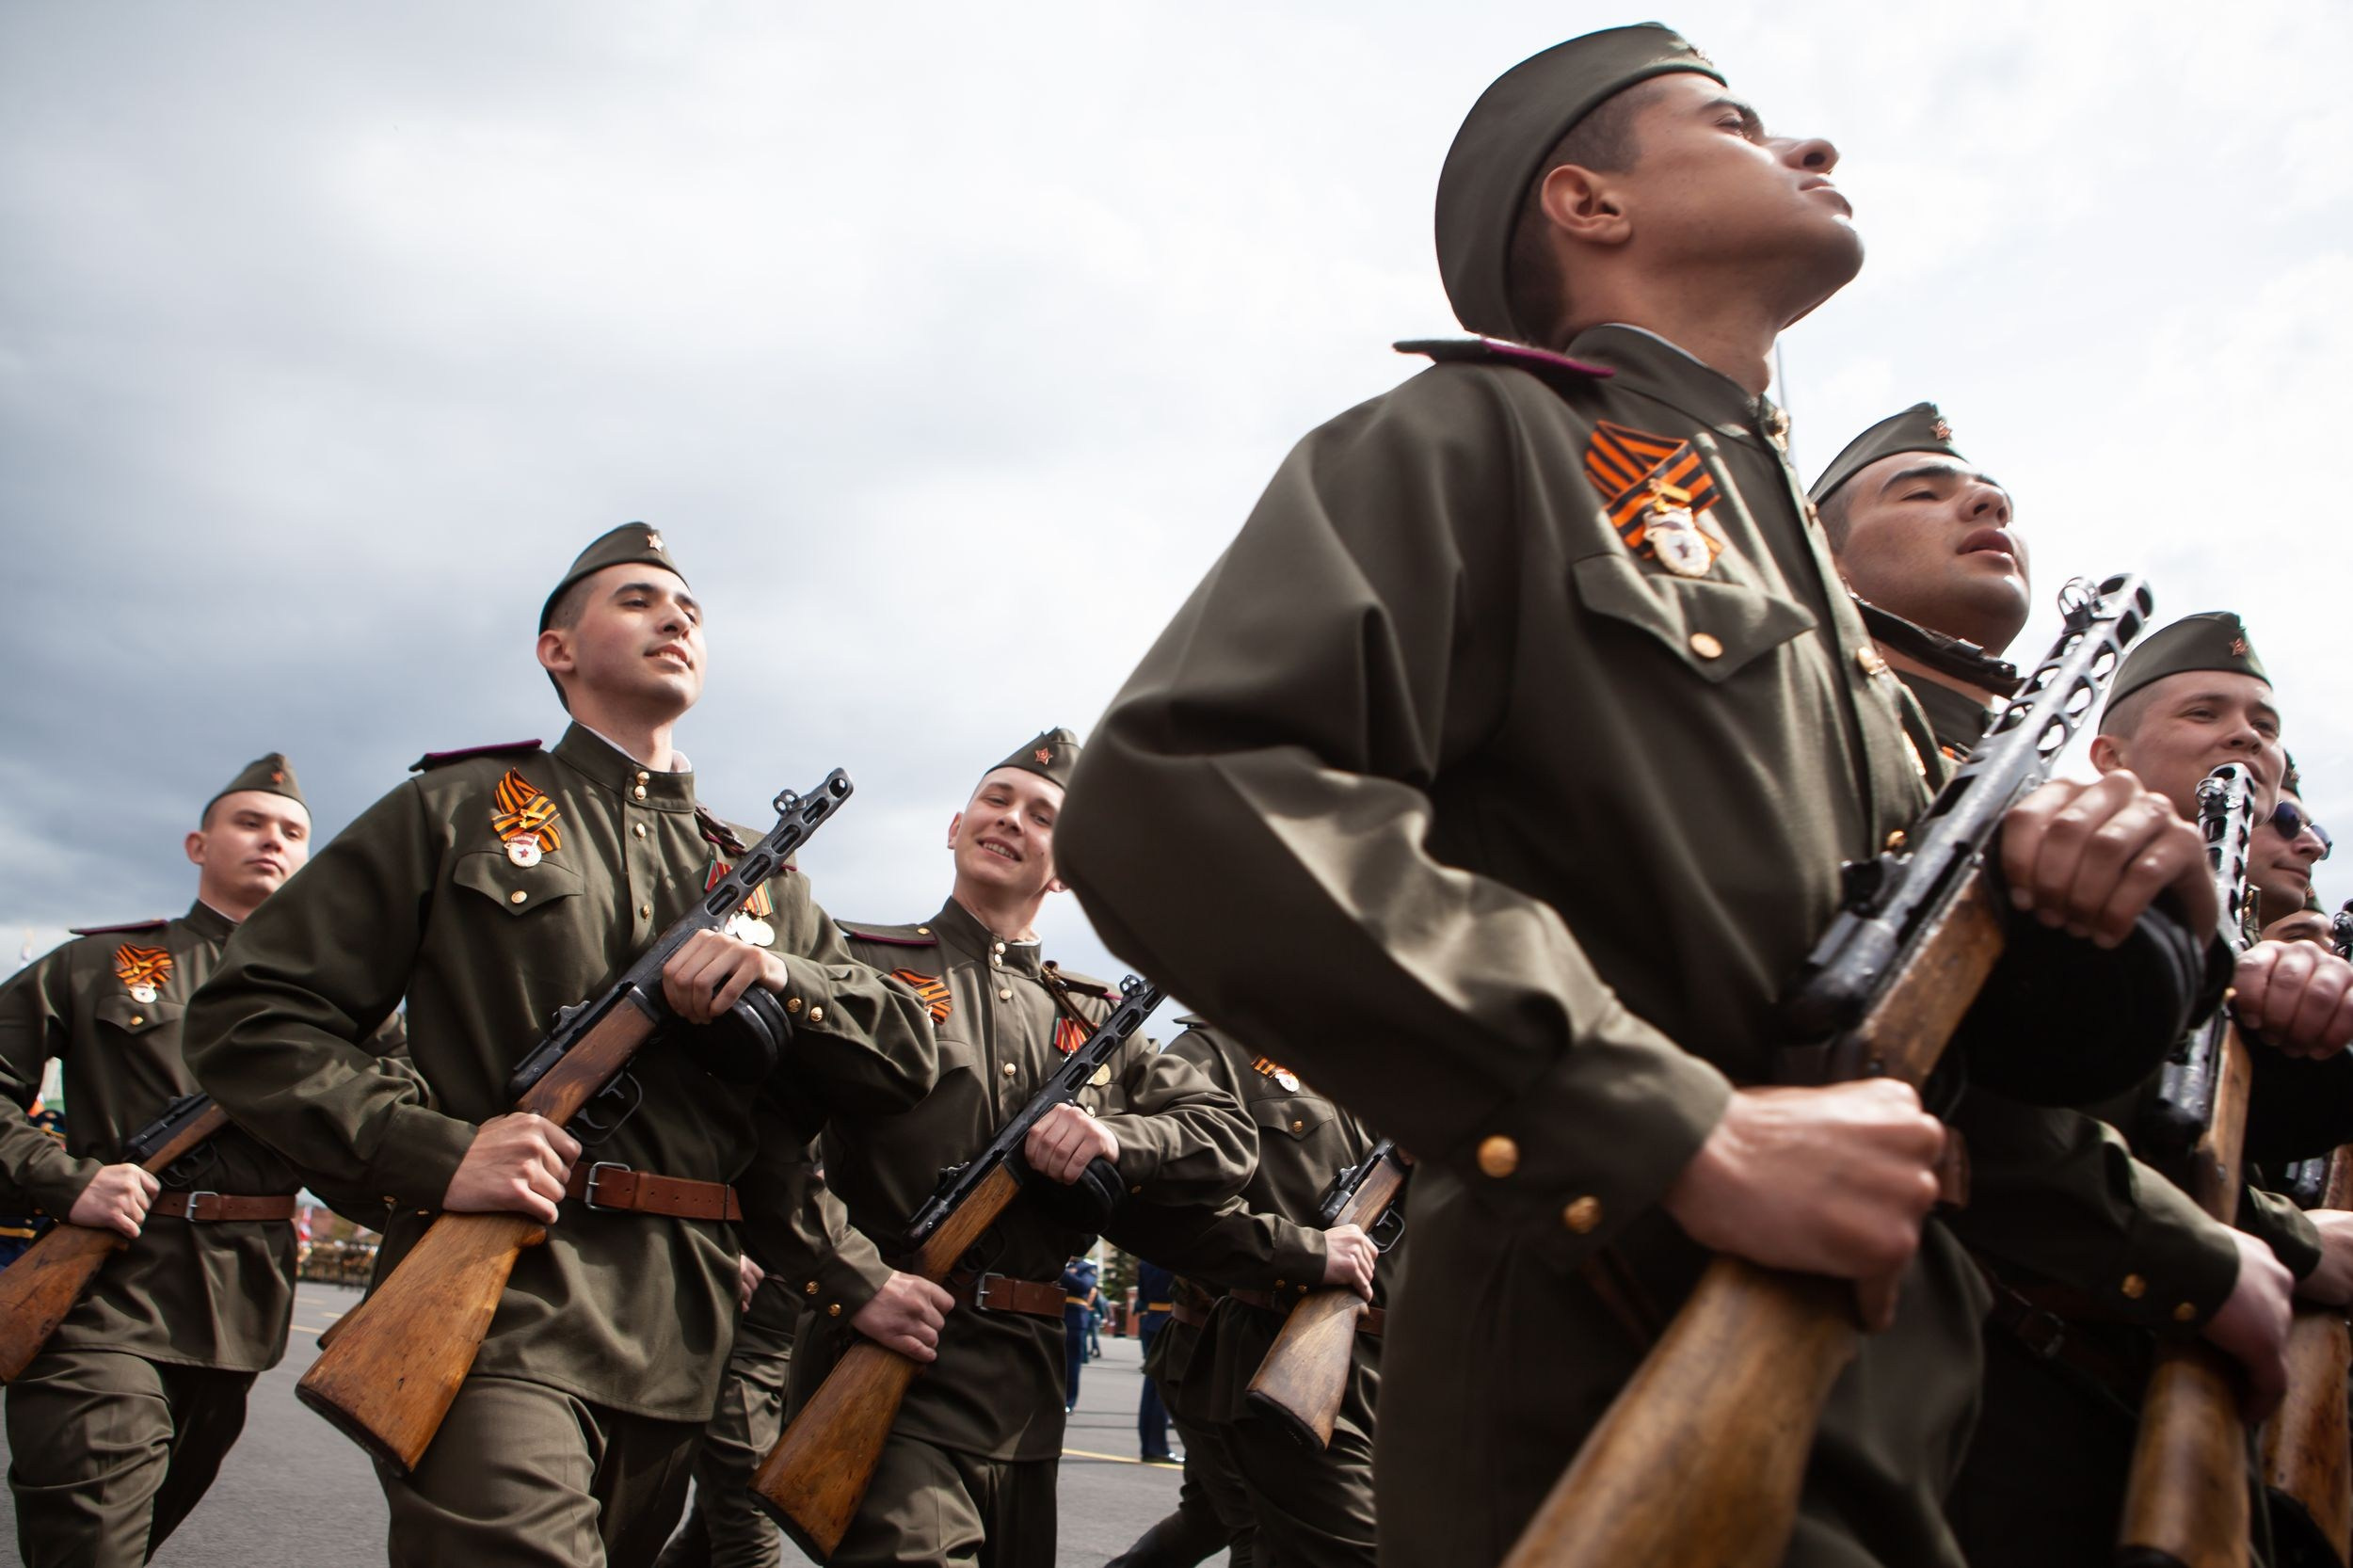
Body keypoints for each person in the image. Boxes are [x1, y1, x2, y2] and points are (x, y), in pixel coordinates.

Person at [1054, 25, 2250, 1565]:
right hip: (1599, 1356)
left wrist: (2197, 1248)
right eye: (1737, 123)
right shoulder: (1492, 439)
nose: (1811, 148)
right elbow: (1185, 787)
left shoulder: (1822, 620)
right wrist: (1672, 1129)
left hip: (1877, 1411)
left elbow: (1910, 1062)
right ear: (1588, 203)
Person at [184, 525, 940, 1568]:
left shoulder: (759, 885)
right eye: (637, 600)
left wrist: (781, 975)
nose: (675, 618)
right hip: (499, 1306)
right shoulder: (456, 809)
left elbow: (900, 1059)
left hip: (679, 1333)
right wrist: (436, 1151)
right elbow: (250, 1018)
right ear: (558, 649)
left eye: (690, 611)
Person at [1812, 407, 2353, 1562]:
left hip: (2090, 1363)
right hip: (1955, 1353)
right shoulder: (1844, 758)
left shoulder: (1997, 784)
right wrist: (2271, 1241)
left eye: (2263, 724)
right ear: (1820, 549)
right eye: (1921, 489)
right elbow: (1934, 1080)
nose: (1986, 502)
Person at [771, 728, 1254, 1568]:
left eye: (1041, 817)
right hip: (888, 1354)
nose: (1010, 819)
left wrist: (1117, 1136)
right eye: (995, 801)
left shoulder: (1097, 1022)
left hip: (1025, 1396)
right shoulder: (861, 965)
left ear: (1065, 871)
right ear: (954, 827)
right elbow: (770, 1145)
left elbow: (1226, 1138)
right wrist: (851, 1280)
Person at [0, 754, 402, 1567]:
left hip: (239, 1319)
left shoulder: (343, 1000)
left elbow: (408, 1122)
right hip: (101, 1296)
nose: (272, 840)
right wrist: (65, 1179)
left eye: (291, 832)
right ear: (198, 845)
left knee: (131, 1540)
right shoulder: (98, 965)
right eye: (250, 823)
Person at [1121, 1023, 1390, 1568]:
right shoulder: (1215, 1052)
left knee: (1214, 1520)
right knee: (1304, 1541)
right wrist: (1302, 1253)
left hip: (1386, 1367)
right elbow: (1151, 1206)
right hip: (1276, 1349)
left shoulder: (1378, 1068)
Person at [652, 1254, 797, 1568]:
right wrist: (719, 1247)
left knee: (706, 1536)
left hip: (799, 1343)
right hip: (735, 1339)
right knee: (748, 1524)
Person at [1134, 1257, 1177, 1462]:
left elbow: (1142, 1296)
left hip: (1151, 1319)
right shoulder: (1178, 1257)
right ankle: (1157, 1447)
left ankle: (1149, 1446)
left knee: (1151, 1387)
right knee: (1163, 1388)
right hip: (1171, 1320)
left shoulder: (1146, 1262)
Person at [1064, 1254, 1099, 1409]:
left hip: (1074, 1317)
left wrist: (1061, 1272)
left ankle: (1068, 1401)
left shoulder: (1088, 1266)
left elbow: (1084, 1285)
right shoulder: (1065, 1264)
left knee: (1072, 1362)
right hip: (1054, 1314)